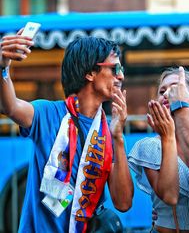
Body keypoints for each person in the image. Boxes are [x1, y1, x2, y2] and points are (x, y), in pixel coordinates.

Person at [0, 30, 133, 233]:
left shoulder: (108, 131)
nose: (121, 75)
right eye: (114, 68)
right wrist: (3, 67)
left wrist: (118, 137)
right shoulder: (49, 114)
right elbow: (10, 107)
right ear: (89, 73)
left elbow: (123, 203)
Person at [128, 67, 189, 232]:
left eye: (175, 88)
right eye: (162, 91)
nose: (167, 93)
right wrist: (168, 137)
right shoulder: (151, 146)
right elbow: (170, 196)